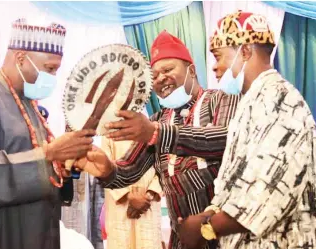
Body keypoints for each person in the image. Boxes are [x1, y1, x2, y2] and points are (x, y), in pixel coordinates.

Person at [171, 11, 316, 248]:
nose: (215, 68)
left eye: (219, 57)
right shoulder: (253, 102)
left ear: (245, 52)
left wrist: (205, 226)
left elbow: (269, 190)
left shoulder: (279, 101)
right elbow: (236, 182)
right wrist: (208, 215)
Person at [75, 30, 241, 249]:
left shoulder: (221, 100)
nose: (161, 78)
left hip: (224, 239)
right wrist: (106, 169)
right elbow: (130, 169)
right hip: (182, 240)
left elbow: (223, 140)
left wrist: (158, 134)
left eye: (168, 69)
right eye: (155, 75)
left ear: (191, 69)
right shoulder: (159, 118)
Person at [0, 18, 96, 249]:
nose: (52, 77)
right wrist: (48, 155)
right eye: (50, 68)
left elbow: (42, 161)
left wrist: (62, 162)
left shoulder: (28, 103)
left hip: (32, 230)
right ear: (21, 59)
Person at [101, 137, 162, 249]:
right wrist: (128, 196)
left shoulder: (151, 131)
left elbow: (163, 167)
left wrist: (148, 195)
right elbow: (104, 171)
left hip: (148, 205)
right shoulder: (108, 135)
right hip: (120, 207)